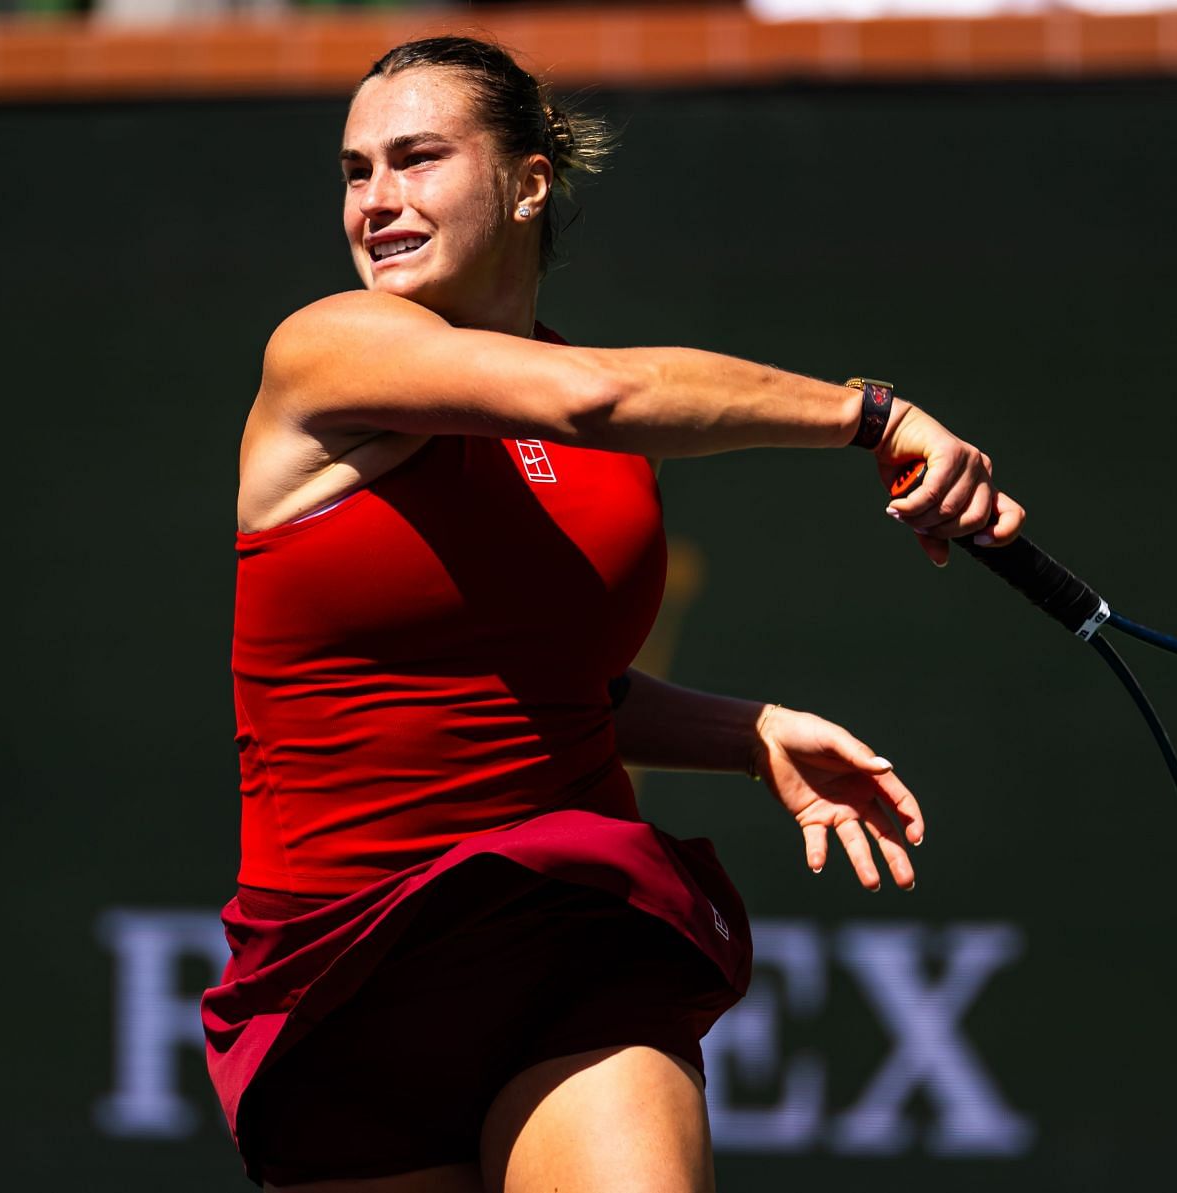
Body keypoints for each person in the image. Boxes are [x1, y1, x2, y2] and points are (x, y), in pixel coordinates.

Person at [200, 34, 1025, 1193]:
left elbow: (551, 683)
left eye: (418, 159)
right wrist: (873, 414)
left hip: (561, 936)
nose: (377, 201)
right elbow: (601, 393)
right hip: (345, 967)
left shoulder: (606, 460)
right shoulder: (330, 347)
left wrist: (743, 732)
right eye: (355, 170)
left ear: (530, 180)